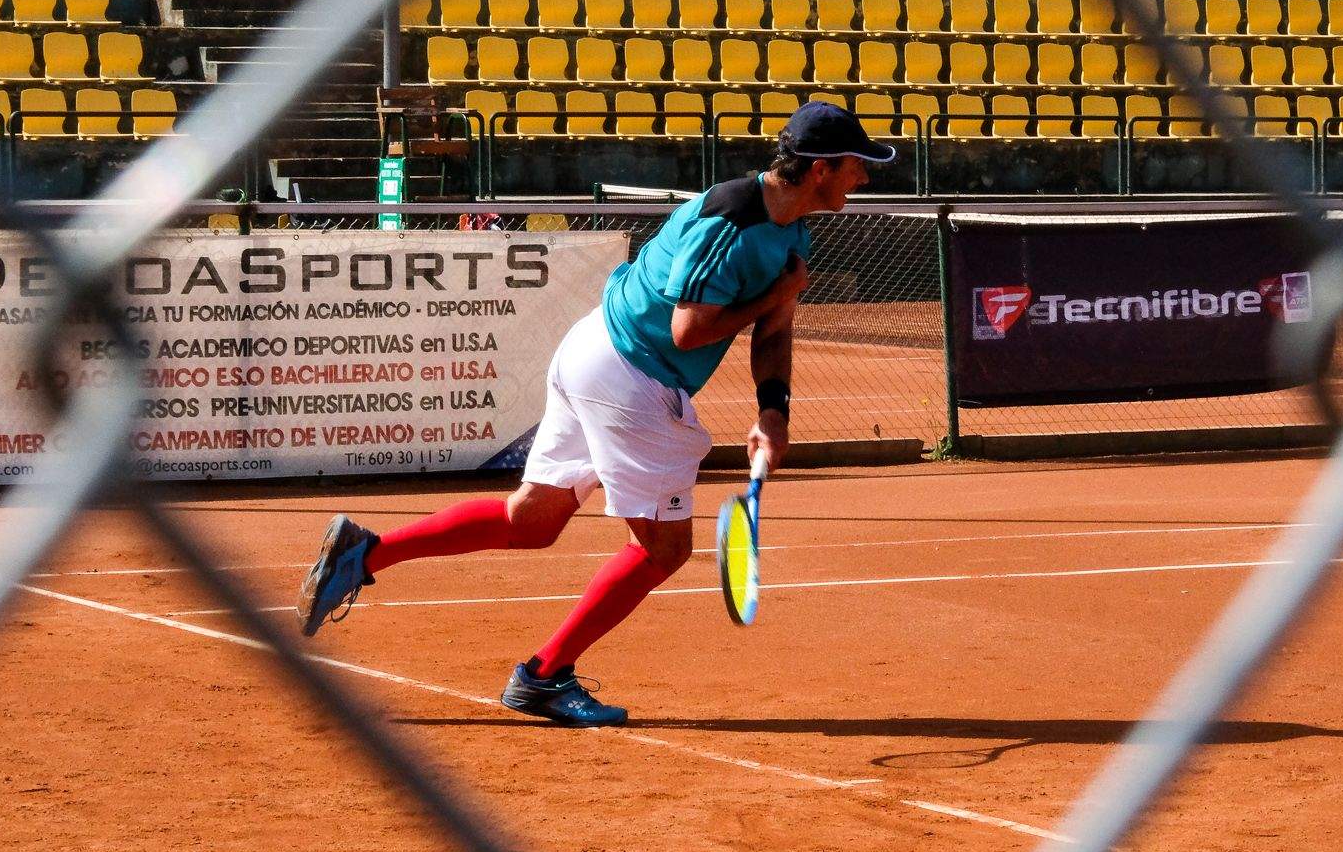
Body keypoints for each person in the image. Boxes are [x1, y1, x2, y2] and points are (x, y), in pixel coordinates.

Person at [297, 102, 896, 726]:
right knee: (664, 549)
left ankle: (362, 555)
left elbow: (774, 331)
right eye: (859, 165)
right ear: (821, 168)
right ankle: (545, 675)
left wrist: (774, 411)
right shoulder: (733, 223)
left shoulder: (792, 230)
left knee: (532, 519)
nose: (866, 177)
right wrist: (774, 295)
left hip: (596, 351)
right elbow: (689, 331)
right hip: (632, 375)